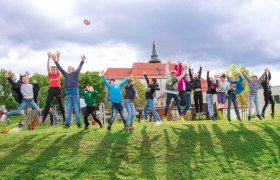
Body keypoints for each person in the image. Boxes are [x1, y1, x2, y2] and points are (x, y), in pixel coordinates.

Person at [53, 54, 85, 128]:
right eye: (68, 69)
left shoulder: (75, 74)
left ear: (73, 70)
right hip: (68, 95)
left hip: (75, 94)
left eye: (70, 69)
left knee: (77, 110)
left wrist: (82, 61)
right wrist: (55, 61)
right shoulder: (66, 75)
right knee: (68, 110)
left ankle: (79, 124)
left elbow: (79, 68)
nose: (68, 69)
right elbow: (60, 68)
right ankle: (67, 124)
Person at [42, 51, 66, 125]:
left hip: (57, 89)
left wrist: (58, 57)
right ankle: (44, 116)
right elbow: (47, 66)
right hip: (51, 90)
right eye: (52, 70)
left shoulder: (58, 74)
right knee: (48, 103)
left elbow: (58, 65)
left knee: (60, 103)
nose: (52, 71)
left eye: (54, 70)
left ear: (56, 70)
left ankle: (64, 116)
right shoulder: (50, 75)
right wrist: (48, 58)